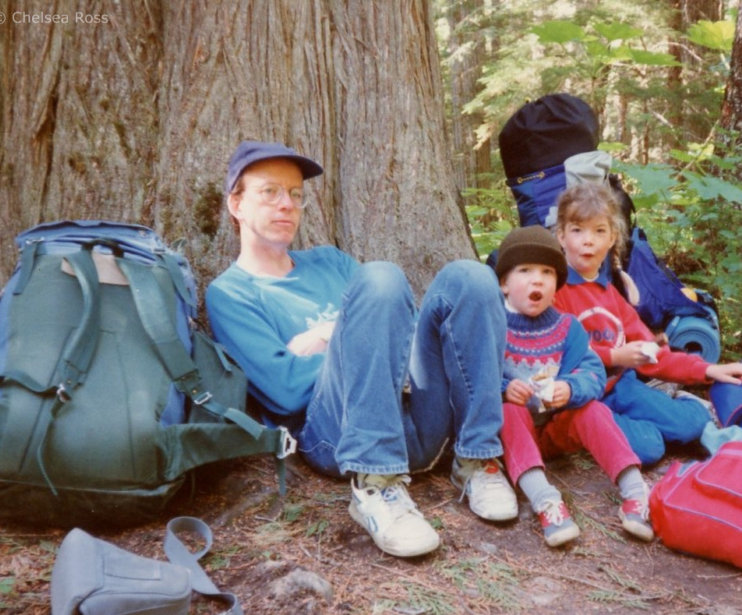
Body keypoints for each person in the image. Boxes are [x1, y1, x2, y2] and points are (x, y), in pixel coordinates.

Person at [206, 140, 518, 559]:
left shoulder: (329, 261)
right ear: (237, 204)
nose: (287, 205)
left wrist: (329, 334)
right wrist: (359, 339)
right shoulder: (231, 293)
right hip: (338, 438)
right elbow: (286, 390)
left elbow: (394, 326)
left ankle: (477, 459)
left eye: (296, 194)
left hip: (414, 424)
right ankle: (377, 490)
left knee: (471, 277)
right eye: (270, 192)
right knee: (381, 277)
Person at [552, 183, 742, 465]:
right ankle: (659, 430)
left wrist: (707, 369)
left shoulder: (612, 295)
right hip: (584, 400)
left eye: (599, 231)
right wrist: (614, 356)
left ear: (612, 239)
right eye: (577, 230)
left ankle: (683, 416)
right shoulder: (555, 292)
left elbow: (654, 356)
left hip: (623, 388)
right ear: (561, 236)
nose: (588, 241)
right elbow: (556, 353)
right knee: (648, 449)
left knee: (691, 423)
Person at [494, 226, 654, 546]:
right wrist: (503, 387)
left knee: (592, 409)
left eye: (547, 272)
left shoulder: (568, 327)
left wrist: (570, 387)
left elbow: (593, 373)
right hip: (510, 436)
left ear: (557, 284)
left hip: (554, 431)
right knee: (510, 412)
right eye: (524, 271)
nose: (537, 279)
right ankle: (546, 502)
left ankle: (636, 492)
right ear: (503, 284)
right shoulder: (493, 325)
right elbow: (472, 373)